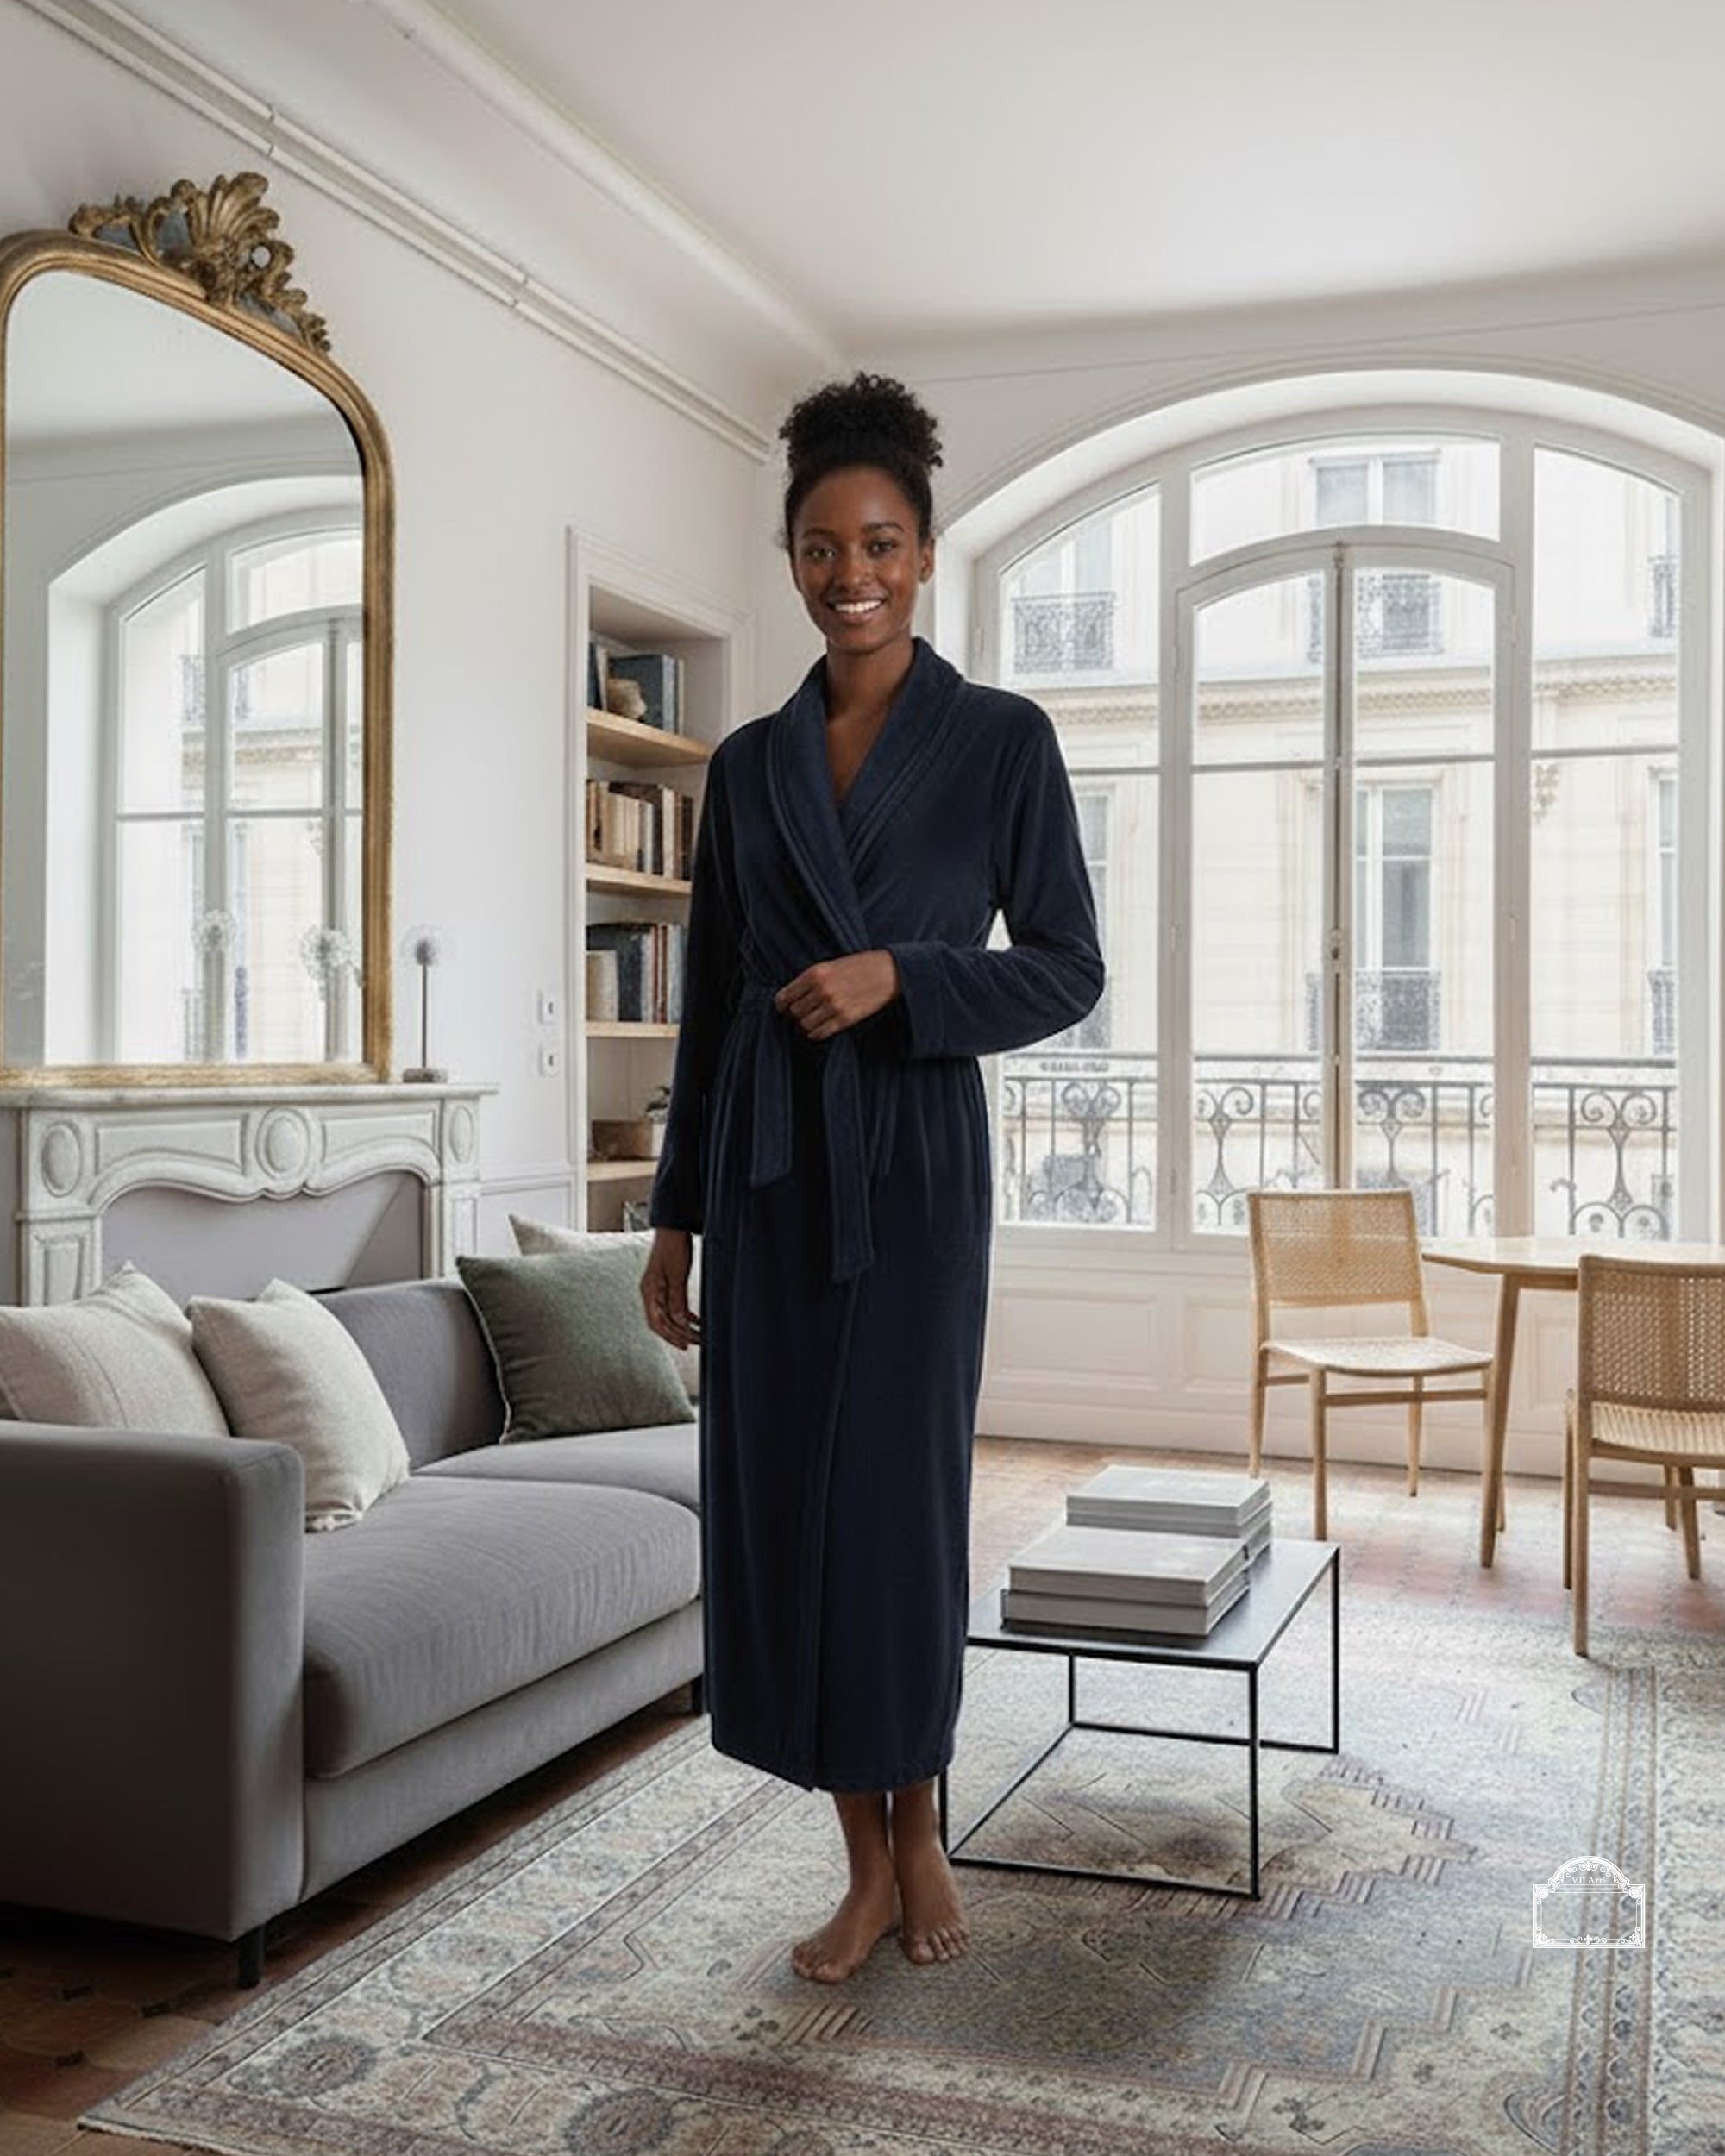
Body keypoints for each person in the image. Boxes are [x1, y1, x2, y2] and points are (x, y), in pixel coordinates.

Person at [641, 373, 1104, 1984]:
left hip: (908, 1172)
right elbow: (707, 1006)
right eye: (824, 546)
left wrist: (904, 979)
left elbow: (1065, 969)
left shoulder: (999, 743)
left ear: (925, 552)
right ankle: (857, 1848)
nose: (853, 574)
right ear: (790, 557)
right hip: (768, 1176)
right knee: (788, 1515)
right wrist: (674, 1222)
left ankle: (926, 1823)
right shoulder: (751, 765)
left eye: (883, 543)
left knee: (897, 1509)